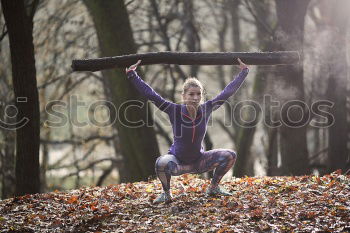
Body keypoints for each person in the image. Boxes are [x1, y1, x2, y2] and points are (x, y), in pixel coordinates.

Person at [125, 58, 249, 204]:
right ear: (183, 96)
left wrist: (244, 72)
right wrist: (132, 75)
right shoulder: (174, 110)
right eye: (191, 94)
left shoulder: (206, 109)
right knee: (161, 163)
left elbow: (226, 93)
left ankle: (214, 187)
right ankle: (166, 193)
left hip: (199, 161)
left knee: (230, 155)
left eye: (198, 94)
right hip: (177, 163)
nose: (195, 98)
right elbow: (151, 95)